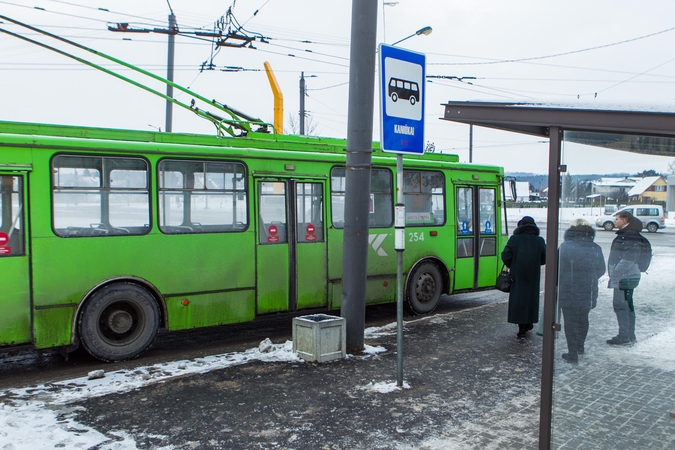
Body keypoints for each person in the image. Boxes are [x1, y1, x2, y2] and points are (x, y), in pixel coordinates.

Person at [558, 219, 606, 363]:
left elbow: (557, 270)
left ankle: (572, 352)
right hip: (588, 289)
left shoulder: (565, 247)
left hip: (568, 289)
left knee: (570, 321)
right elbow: (601, 269)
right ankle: (580, 346)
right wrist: (589, 278)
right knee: (583, 318)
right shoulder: (595, 247)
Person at [501, 216, 546, 338]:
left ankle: (521, 327)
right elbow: (545, 257)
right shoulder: (539, 240)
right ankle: (529, 323)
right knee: (531, 299)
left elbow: (505, 255)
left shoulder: (514, 239)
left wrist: (513, 264)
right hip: (533, 275)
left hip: (518, 274)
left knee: (519, 299)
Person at [607, 210, 643, 345]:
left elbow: (628, 259)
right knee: (627, 305)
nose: (615, 221)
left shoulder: (629, 236)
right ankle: (629, 334)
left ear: (624, 221)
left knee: (621, 305)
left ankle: (624, 336)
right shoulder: (628, 234)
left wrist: (615, 274)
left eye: (617, 219)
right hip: (627, 277)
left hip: (625, 277)